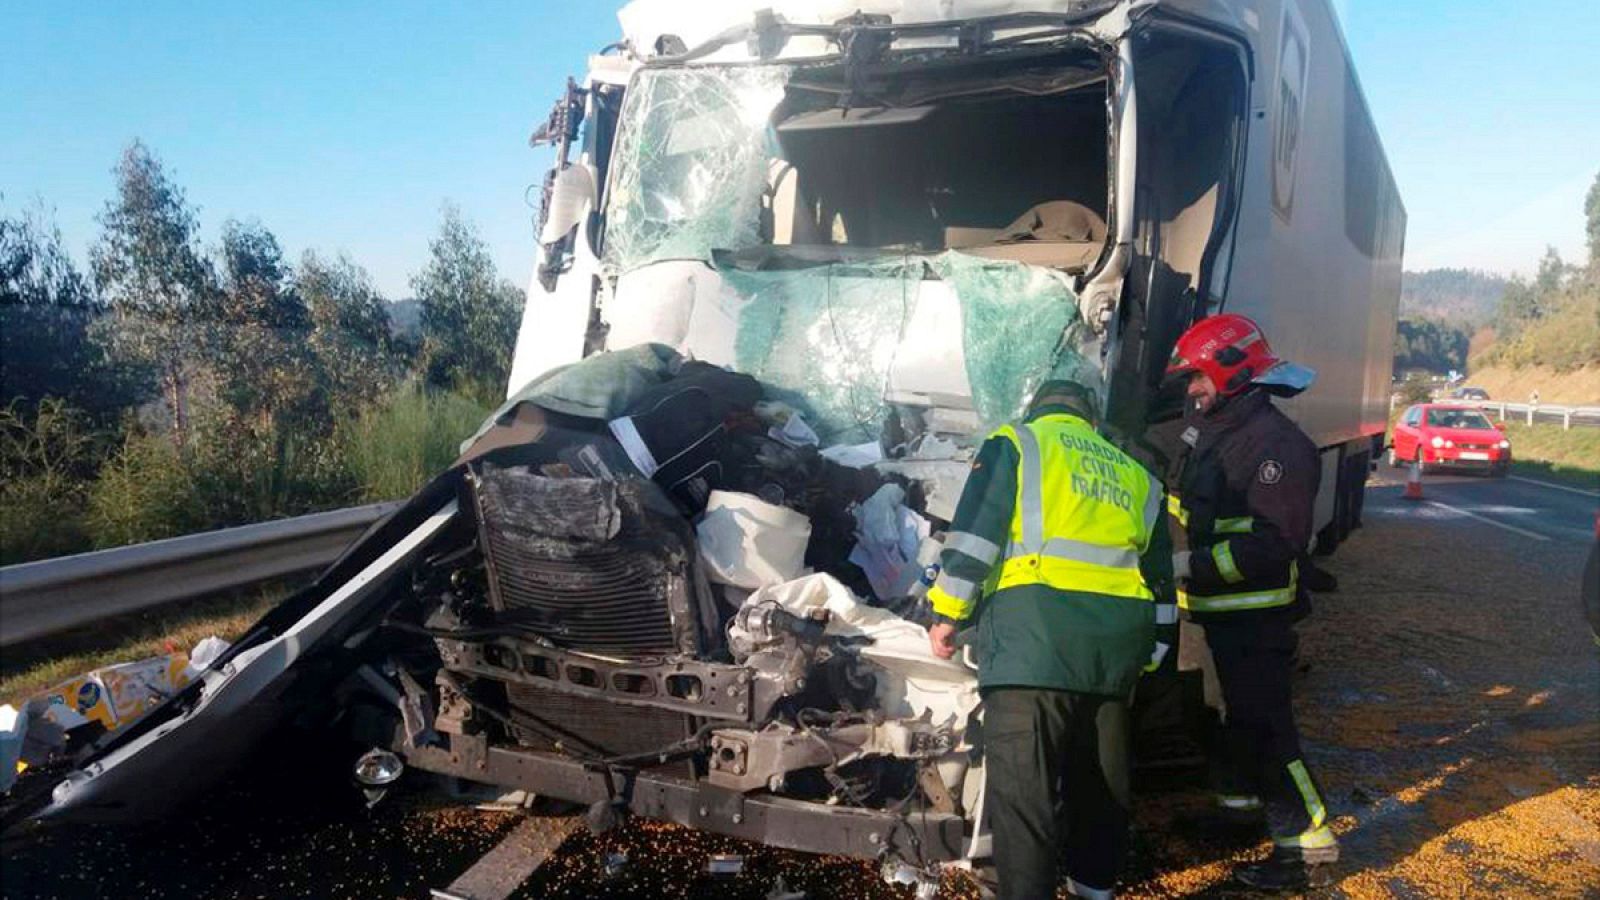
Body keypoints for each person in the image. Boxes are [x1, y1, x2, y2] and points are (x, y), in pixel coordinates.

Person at [926, 380, 1176, 900]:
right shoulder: (1136, 474)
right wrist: (1155, 649)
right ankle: (1093, 888)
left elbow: (975, 537)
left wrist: (947, 613)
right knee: (1100, 781)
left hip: (1031, 645)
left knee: (1025, 797)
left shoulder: (1016, 443)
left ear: (1036, 410)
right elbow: (1159, 578)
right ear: (1091, 420)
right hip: (1113, 651)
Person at [1162, 313, 1338, 889]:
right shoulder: (1212, 430)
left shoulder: (1277, 448)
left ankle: (1306, 845)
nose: (1192, 390)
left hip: (1256, 617)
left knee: (1266, 728)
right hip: (1214, 613)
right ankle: (1238, 814)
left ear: (1232, 370)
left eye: (1198, 378)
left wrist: (1191, 565)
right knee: (1227, 721)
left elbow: (1274, 544)